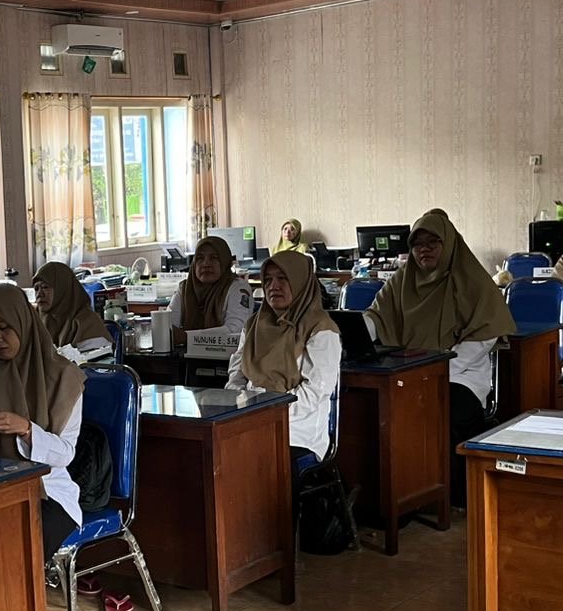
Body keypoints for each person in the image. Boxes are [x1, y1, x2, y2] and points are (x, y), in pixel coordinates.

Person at [365, 208, 515, 505]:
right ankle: (395, 494)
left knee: (445, 408)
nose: (424, 250)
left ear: (448, 244)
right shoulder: (401, 280)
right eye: (418, 244)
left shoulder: (472, 280)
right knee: (370, 408)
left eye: (433, 243)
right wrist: (349, 334)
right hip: (406, 369)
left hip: (460, 374)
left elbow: (484, 336)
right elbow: (376, 316)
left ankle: (450, 494)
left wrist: (435, 369)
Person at [0, 283, 86, 564]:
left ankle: (18, 608)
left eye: (4, 328)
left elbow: (65, 453)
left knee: (15, 549)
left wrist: (26, 430)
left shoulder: (63, 376)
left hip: (47, 491)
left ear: (23, 321)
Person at [228, 252, 342, 476]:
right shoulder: (254, 324)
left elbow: (313, 393)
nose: (274, 286)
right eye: (268, 280)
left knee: (255, 462)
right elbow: (237, 376)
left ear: (300, 282)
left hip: (297, 431)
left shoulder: (321, 329)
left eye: (283, 278)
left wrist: (266, 417)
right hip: (250, 421)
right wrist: (238, 406)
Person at [167, 235, 255, 347]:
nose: (206, 264)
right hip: (188, 359)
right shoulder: (184, 288)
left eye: (214, 258)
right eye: (200, 258)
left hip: (225, 360)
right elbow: (168, 326)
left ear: (225, 261)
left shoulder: (238, 287)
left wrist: (187, 337)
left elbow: (235, 330)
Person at [32, 261, 114, 355]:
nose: (39, 294)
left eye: (45, 287)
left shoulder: (86, 322)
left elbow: (93, 366)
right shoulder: (38, 320)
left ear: (62, 289)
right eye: (36, 289)